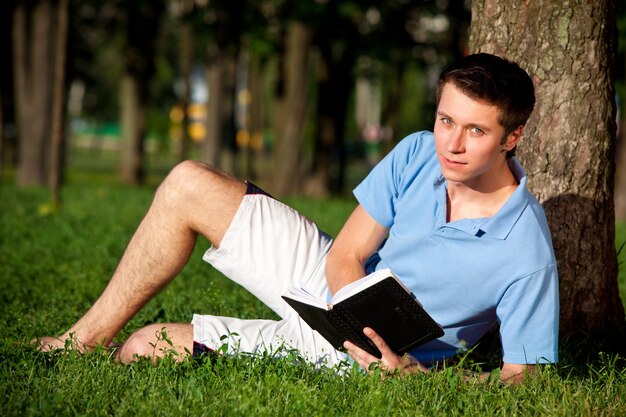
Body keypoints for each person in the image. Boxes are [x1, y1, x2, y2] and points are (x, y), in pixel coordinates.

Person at [36, 53, 559, 384]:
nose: (452, 143)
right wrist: (348, 304)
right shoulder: (419, 151)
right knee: (187, 182)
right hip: (335, 289)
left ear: (511, 137)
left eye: (475, 131)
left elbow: (525, 376)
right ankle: (78, 343)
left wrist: (413, 375)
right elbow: (348, 254)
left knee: (145, 349)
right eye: (446, 120)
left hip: (372, 360)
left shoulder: (525, 250)